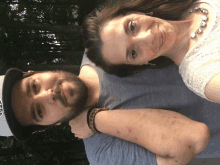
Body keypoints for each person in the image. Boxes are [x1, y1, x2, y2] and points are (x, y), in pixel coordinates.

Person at [0, 62, 211, 165]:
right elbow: (191, 139)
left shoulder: (107, 43)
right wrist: (96, 120)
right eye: (38, 111)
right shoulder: (101, 154)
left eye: (34, 86)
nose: (48, 95)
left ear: (34, 72)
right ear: (48, 125)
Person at [82, 0, 220, 104]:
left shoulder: (187, 3)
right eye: (133, 53)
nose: (147, 37)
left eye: (132, 26)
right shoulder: (201, 74)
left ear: (135, 12)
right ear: (141, 64)